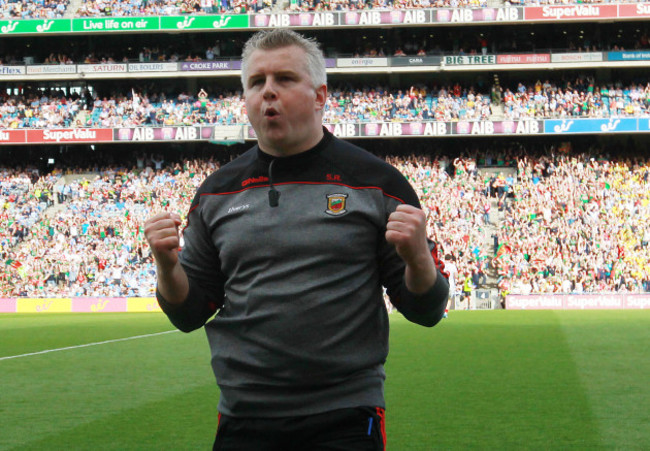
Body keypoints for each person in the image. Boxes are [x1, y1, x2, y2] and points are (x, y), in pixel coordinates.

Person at [144, 29, 449, 451]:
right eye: (256, 82)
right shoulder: (216, 192)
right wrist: (165, 264)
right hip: (244, 416)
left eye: (284, 79)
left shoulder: (378, 183)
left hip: (344, 415)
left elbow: (425, 309)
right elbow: (189, 313)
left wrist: (417, 259)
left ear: (321, 95)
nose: (268, 92)